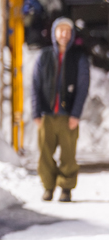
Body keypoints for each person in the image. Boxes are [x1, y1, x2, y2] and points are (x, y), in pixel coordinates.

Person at [32, 17, 91, 202]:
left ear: (72, 34)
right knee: (45, 154)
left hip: (68, 116)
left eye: (67, 31)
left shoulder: (78, 57)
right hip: (47, 115)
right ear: (54, 33)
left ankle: (66, 188)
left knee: (68, 155)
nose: (63, 34)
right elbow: (35, 85)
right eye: (60, 30)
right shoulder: (45, 55)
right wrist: (36, 112)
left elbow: (83, 86)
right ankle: (48, 187)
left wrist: (76, 114)